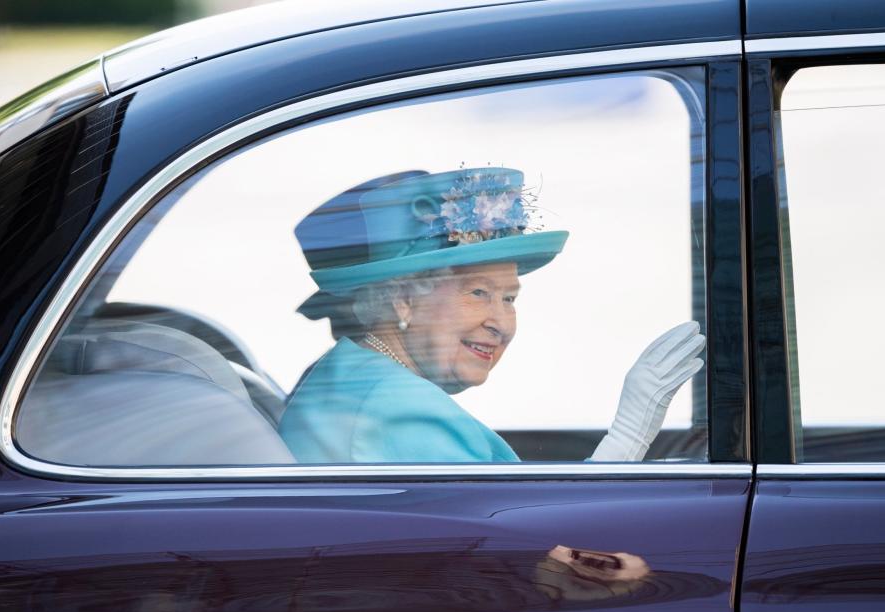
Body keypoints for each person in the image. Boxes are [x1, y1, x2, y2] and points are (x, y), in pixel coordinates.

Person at [279, 167, 704, 463]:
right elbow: (534, 553)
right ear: (402, 299)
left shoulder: (354, 373)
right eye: (478, 292)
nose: (501, 324)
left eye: (509, 299)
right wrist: (627, 439)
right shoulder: (401, 409)